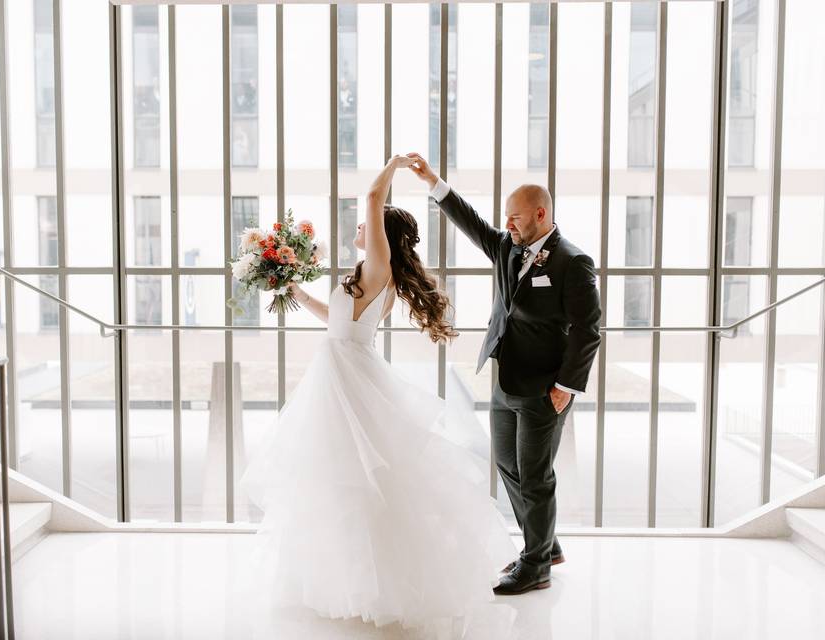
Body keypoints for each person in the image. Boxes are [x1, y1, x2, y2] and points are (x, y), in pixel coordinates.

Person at [240, 156, 516, 635]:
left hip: (347, 379)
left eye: (364, 226)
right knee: (337, 482)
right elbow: (340, 319)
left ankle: (377, 584)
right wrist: (297, 293)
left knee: (358, 482)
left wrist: (391, 166)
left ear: (381, 235)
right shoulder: (370, 274)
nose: (357, 228)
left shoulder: (379, 266)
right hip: (341, 371)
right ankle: (347, 580)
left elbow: (371, 198)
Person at [405, 152, 601, 595]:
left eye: (515, 217)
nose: (507, 224)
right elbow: (471, 222)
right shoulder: (508, 247)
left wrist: (566, 386)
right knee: (507, 465)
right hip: (505, 379)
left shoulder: (573, 262)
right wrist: (433, 181)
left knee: (535, 475)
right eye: (506, 218)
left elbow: (589, 330)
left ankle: (536, 566)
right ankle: (545, 546)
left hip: (545, 388)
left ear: (540, 213)